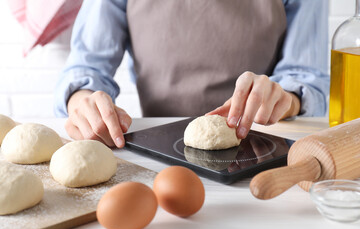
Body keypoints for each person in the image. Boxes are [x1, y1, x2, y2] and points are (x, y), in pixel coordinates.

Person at [54, 0, 329, 148]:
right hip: (155, 150)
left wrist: (286, 98)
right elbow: (87, 66)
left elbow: (306, 77)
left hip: (260, 148)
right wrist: (82, 100)